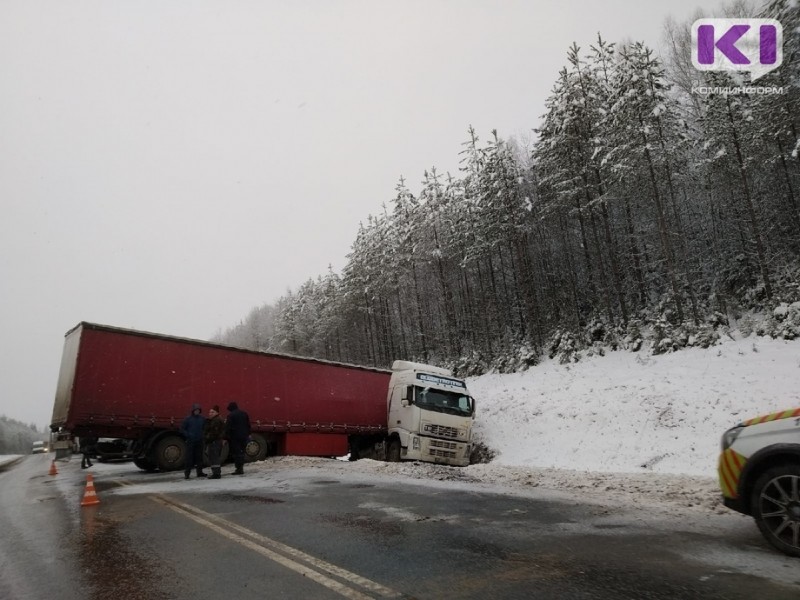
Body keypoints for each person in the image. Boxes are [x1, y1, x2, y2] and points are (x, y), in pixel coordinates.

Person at [179, 403, 207, 479]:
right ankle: (187, 473)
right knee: (189, 458)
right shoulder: (188, 419)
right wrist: (188, 435)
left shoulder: (202, 419)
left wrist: (203, 435)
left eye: (198, 410)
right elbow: (182, 429)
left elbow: (205, 428)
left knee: (199, 457)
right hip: (191, 441)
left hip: (199, 440)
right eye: (195, 410)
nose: (197, 411)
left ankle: (199, 472)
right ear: (193, 411)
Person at [225, 401, 251, 475]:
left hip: (235, 437)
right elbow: (248, 425)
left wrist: (226, 437)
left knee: (236, 453)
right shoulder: (244, 413)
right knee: (242, 452)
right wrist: (248, 434)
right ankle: (241, 468)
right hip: (244, 436)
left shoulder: (230, 415)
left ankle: (238, 469)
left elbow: (228, 427)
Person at [203, 405, 226, 479]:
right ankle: (216, 472)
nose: (210, 413)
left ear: (216, 413)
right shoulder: (215, 419)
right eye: (209, 412)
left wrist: (207, 438)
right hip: (215, 441)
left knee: (214, 457)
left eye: (212, 412)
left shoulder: (216, 420)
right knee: (214, 457)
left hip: (214, 441)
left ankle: (216, 474)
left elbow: (214, 433)